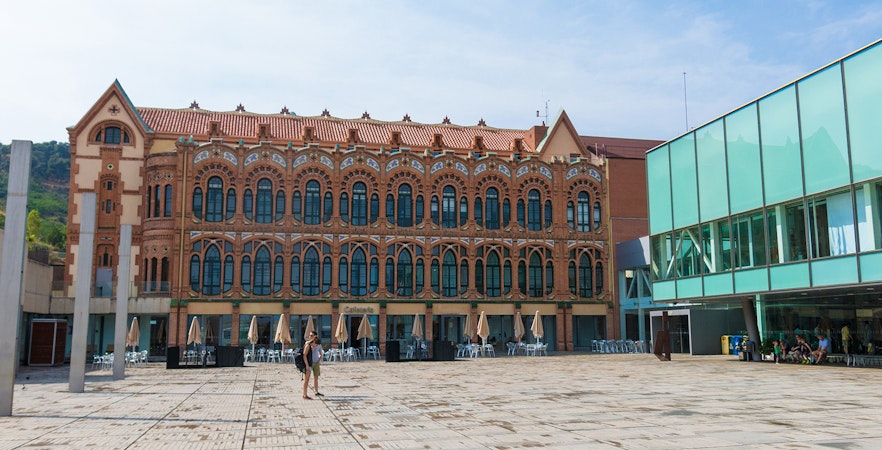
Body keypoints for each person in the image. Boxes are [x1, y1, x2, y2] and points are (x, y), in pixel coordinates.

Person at [301, 331, 322, 399]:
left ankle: (305, 394)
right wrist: (307, 365)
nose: (315, 346)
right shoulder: (307, 345)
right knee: (306, 380)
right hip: (308, 364)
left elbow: (320, 353)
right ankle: (304, 395)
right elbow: (304, 355)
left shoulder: (313, 345)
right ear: (314, 341)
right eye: (315, 344)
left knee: (309, 379)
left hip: (312, 363)